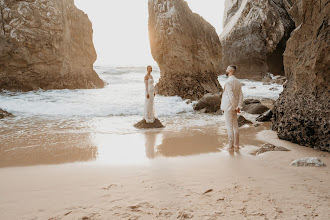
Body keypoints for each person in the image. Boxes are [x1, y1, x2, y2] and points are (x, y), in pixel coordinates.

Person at [220, 65, 244, 151]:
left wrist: (235, 106)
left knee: (229, 127)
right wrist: (239, 106)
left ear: (230, 70)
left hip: (228, 107)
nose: (226, 69)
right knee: (235, 126)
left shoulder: (228, 82)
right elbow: (241, 95)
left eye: (227, 68)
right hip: (234, 107)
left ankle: (230, 146)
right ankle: (236, 145)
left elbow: (231, 96)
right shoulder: (238, 81)